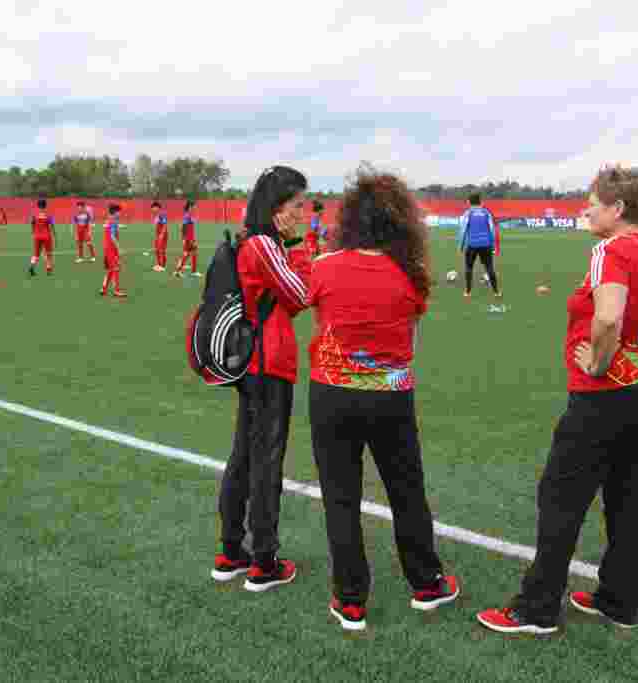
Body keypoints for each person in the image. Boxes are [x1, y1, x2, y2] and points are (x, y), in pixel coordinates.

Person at [477, 165, 638, 635]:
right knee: (629, 493)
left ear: (618, 208)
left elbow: (609, 318)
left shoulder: (610, 251)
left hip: (607, 395)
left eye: (592, 203)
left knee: (561, 496)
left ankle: (536, 609)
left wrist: (598, 363)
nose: (586, 210)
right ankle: (619, 600)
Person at [307, 172, 459, 632]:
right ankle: (427, 582)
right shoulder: (410, 273)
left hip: (332, 395)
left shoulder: (323, 265)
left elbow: (318, 316)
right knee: (406, 489)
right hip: (391, 396)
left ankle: (350, 598)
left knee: (340, 496)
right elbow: (411, 331)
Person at [212, 166, 311, 591]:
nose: (302, 213)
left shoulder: (251, 242)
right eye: (297, 205)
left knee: (244, 456)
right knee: (265, 461)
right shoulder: (264, 246)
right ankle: (264, 560)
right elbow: (301, 295)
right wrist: (301, 250)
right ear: (276, 208)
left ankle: (231, 551)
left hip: (253, 363)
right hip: (268, 365)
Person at [457, 193, 500, 298]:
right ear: (480, 201)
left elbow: (463, 230)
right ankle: (496, 292)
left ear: (469, 202)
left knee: (469, 268)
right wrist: (493, 245)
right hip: (486, 245)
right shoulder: (486, 212)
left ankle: (467, 292)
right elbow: (492, 229)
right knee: (489, 268)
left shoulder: (468, 213)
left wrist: (461, 245)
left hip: (472, 245)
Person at [100, 203, 127, 298]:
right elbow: (112, 236)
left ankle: (104, 288)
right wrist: (119, 248)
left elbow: (110, 229)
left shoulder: (109, 220)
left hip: (107, 248)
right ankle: (116, 290)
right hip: (111, 249)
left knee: (110, 269)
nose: (120, 214)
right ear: (115, 212)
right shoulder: (113, 221)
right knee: (116, 268)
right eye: (119, 212)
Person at [173, 199, 201, 277]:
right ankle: (178, 271)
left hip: (190, 238)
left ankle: (192, 271)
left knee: (193, 253)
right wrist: (185, 239)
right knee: (186, 254)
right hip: (189, 239)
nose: (195, 207)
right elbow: (183, 228)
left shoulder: (189, 215)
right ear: (190, 207)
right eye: (194, 206)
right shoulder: (187, 216)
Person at [29, 198, 56, 276]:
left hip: (37, 236)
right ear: (45, 206)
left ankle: (32, 266)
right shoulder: (48, 215)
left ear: (38, 206)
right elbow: (51, 226)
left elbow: (32, 223)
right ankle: (48, 269)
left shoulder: (34, 215)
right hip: (46, 236)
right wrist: (54, 234)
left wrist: (33, 232)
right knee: (48, 253)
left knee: (36, 254)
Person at [151, 201, 168, 271]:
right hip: (158, 235)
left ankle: (163, 266)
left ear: (157, 207)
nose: (152, 209)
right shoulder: (157, 215)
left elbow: (165, 225)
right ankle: (159, 264)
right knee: (157, 250)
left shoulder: (162, 215)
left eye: (153, 208)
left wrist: (162, 234)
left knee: (162, 250)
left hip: (162, 235)